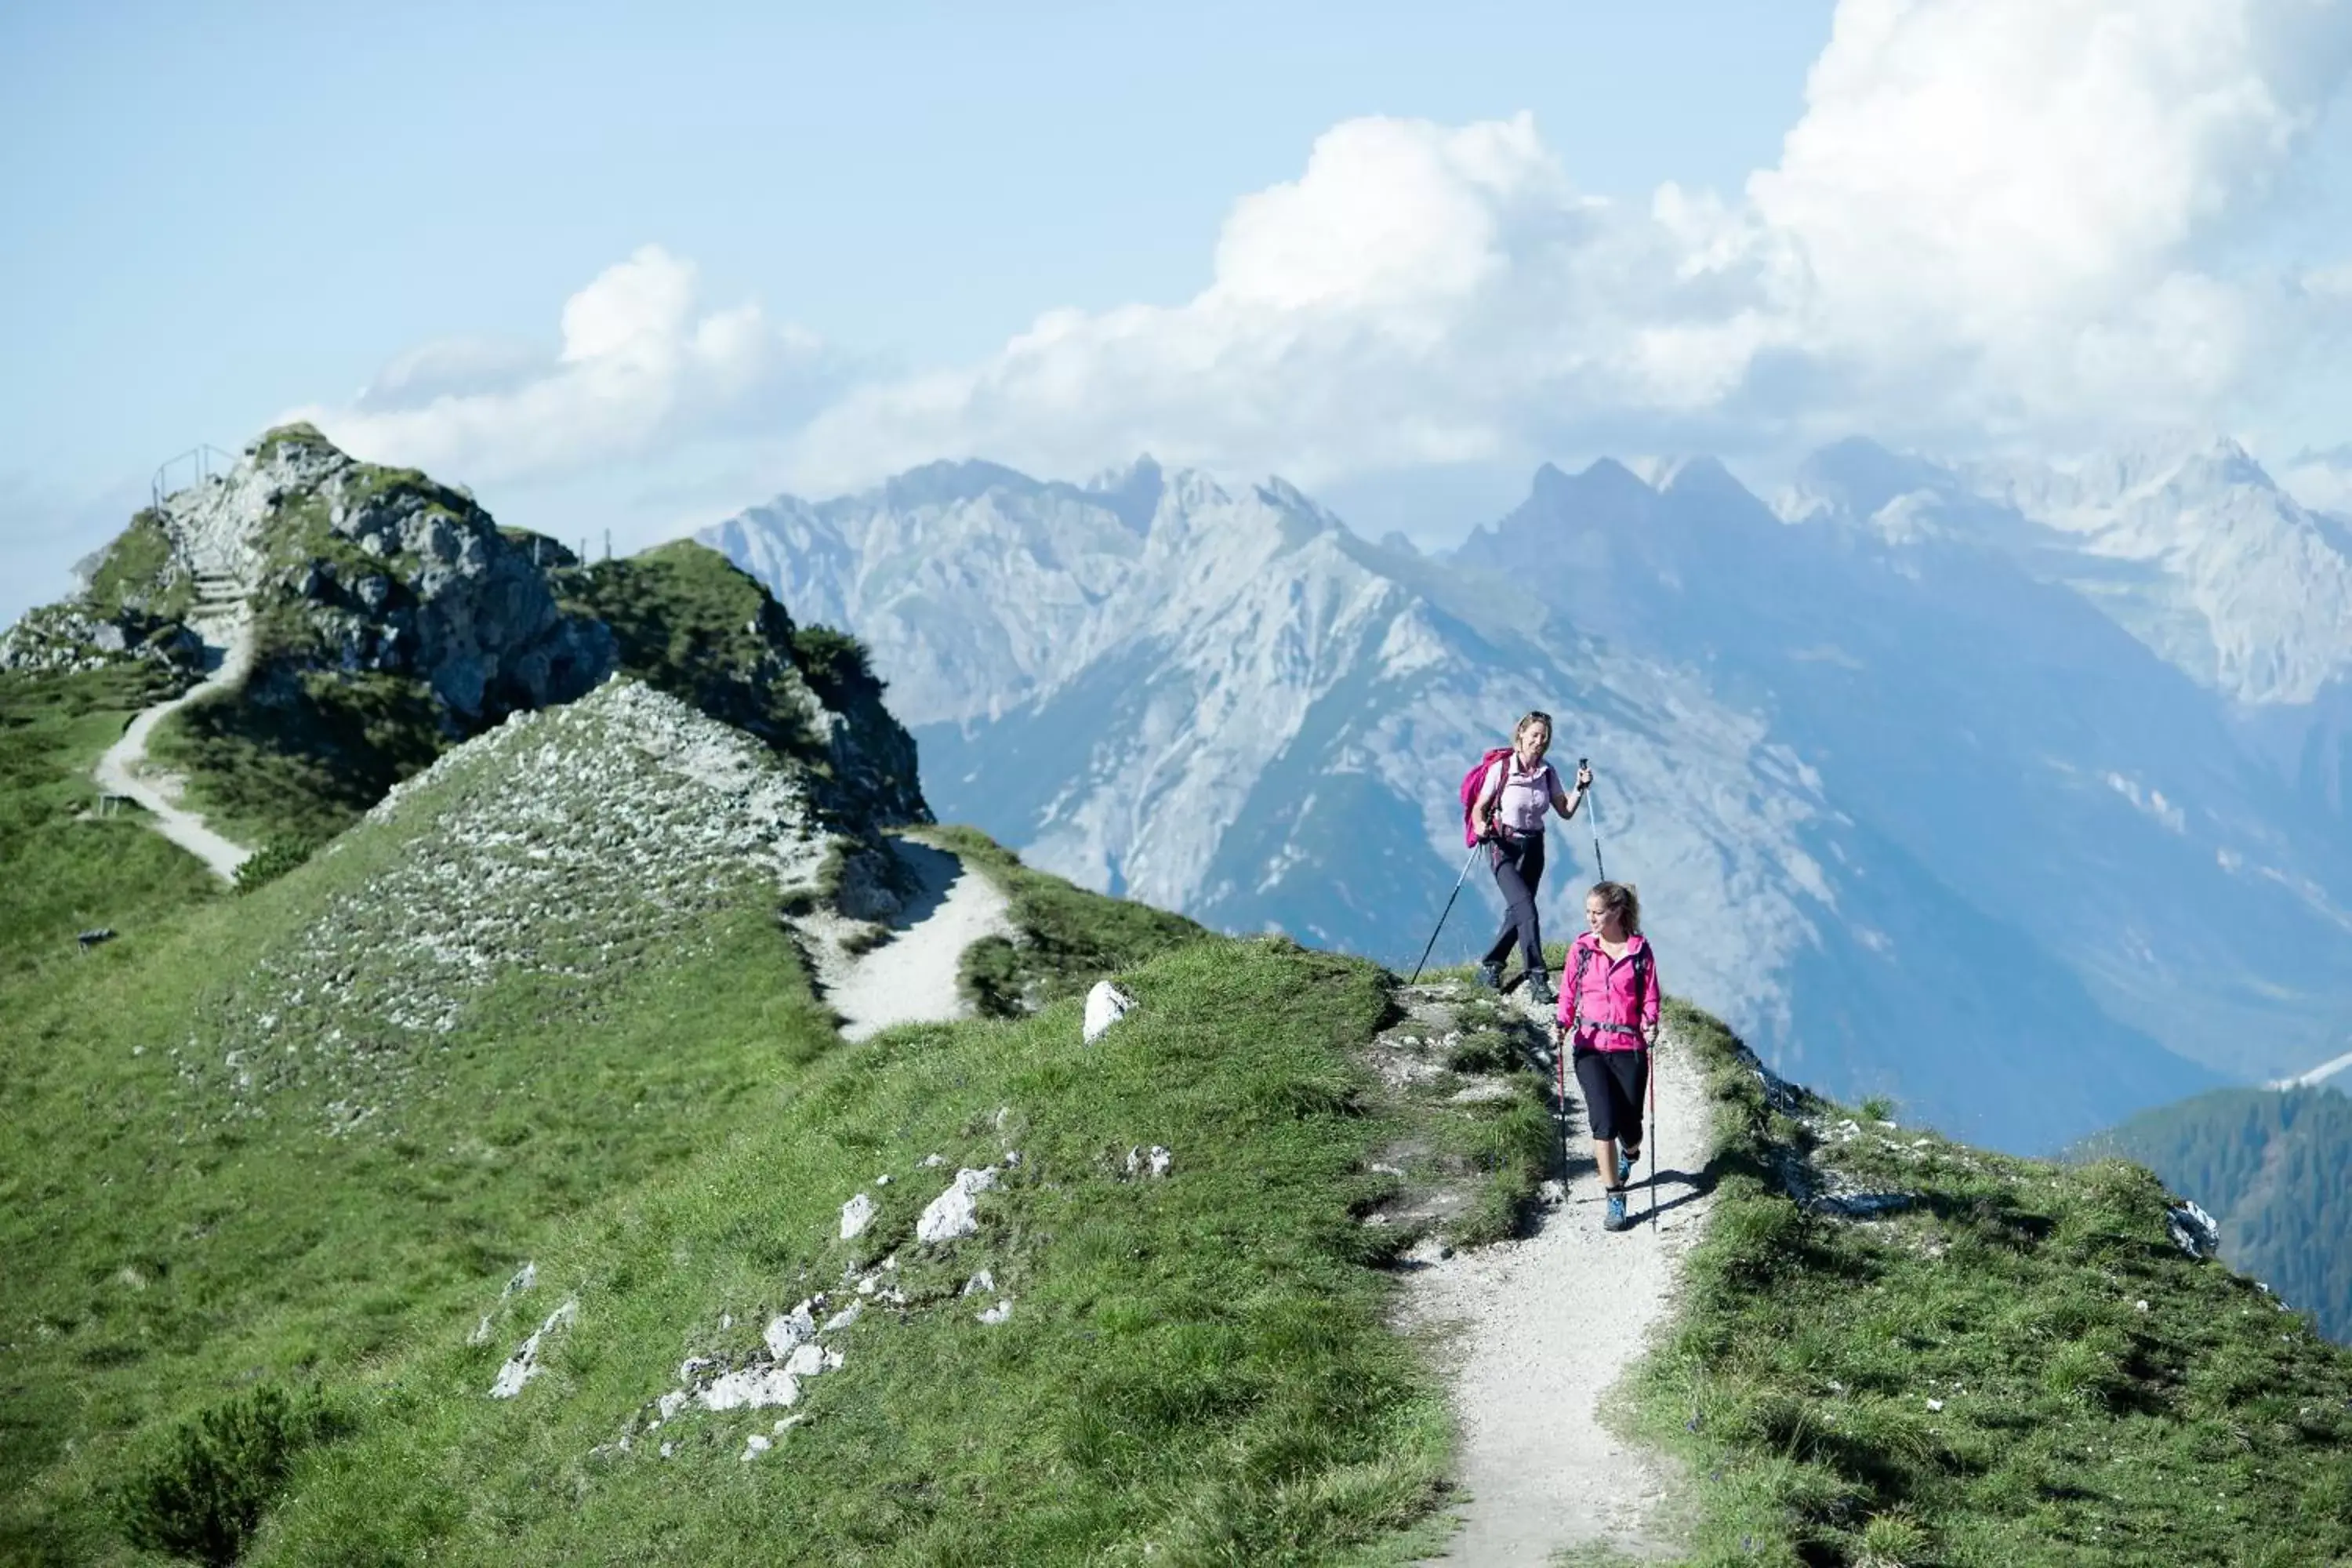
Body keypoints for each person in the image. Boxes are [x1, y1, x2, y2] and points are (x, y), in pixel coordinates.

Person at [1555, 880, 1661, 1232]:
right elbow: (1568, 991)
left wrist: (1650, 1023)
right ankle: (1615, 1197)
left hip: (1629, 1048)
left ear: (1616, 912)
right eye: (1588, 912)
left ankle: (1630, 1153)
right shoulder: (1582, 950)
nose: (1591, 919)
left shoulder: (1640, 952)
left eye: (1598, 912)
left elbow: (1650, 996)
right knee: (1603, 1121)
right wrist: (1562, 1023)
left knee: (1630, 1126)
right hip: (1590, 1047)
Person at [1469, 711, 1591, 1004]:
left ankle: (1490, 967)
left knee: (1518, 912)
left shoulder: (1547, 772)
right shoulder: (1501, 769)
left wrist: (1580, 787)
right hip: (1503, 845)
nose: (1540, 741)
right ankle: (1537, 977)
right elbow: (1479, 807)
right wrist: (1479, 825)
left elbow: (1565, 810)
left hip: (1534, 847)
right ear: (1521, 734)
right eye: (1534, 734)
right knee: (1526, 909)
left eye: (1544, 736)